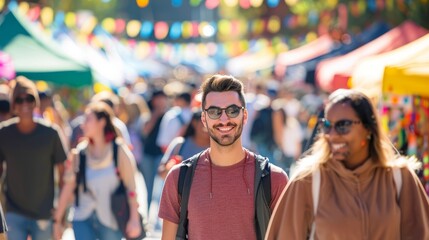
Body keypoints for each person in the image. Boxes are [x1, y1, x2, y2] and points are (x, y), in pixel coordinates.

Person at [265, 89, 429, 240]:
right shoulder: (308, 181)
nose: (333, 135)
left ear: (368, 129)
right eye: (327, 126)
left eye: (343, 125)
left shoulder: (401, 178)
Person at [159, 74, 288, 240]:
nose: (224, 119)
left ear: (245, 116)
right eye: (214, 112)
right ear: (204, 120)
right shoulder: (179, 178)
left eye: (233, 110)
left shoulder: (274, 179)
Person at [52, 101, 144, 240]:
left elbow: (131, 187)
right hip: (82, 218)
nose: (83, 125)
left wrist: (134, 218)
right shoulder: (80, 153)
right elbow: (68, 186)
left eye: (88, 119)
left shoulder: (118, 151)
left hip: (111, 221)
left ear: (102, 122)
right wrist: (57, 220)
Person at [0, 76, 67, 240]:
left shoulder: (51, 133)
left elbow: (64, 173)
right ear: (13, 105)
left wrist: (60, 213)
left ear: (35, 102)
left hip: (44, 213)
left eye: (29, 99)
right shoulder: (3, 133)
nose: (25, 104)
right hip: (14, 212)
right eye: (19, 100)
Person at [158, 109, 210, 179]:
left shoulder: (218, 149)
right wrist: (171, 167)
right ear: (194, 122)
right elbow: (161, 174)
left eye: (210, 122)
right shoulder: (179, 145)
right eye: (203, 121)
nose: (207, 125)